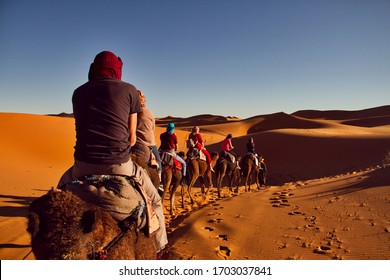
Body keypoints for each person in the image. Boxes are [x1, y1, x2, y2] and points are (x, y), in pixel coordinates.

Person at [57, 50, 167, 254]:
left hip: (82, 166)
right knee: (156, 201)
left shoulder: (78, 92)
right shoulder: (129, 90)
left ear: (93, 69)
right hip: (120, 165)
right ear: (118, 71)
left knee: (58, 196)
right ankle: (161, 249)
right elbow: (132, 138)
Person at [136, 89, 163, 190]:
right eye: (144, 99)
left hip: (133, 143)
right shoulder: (149, 112)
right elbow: (153, 128)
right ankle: (159, 183)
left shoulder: (130, 113)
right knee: (159, 161)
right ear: (142, 101)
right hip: (149, 144)